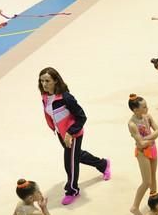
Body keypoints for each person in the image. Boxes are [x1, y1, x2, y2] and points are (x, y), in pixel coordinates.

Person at [38, 67, 110, 205]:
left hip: (73, 134)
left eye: (47, 80)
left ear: (55, 81)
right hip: (61, 134)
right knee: (76, 156)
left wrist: (70, 133)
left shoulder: (66, 98)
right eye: (42, 81)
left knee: (69, 162)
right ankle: (103, 164)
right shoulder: (45, 97)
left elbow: (81, 117)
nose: (44, 84)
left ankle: (72, 190)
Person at [127, 94, 158, 215]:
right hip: (142, 153)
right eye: (144, 107)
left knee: (153, 177)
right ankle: (135, 207)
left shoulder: (148, 116)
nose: (147, 109)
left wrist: (146, 139)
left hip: (152, 149)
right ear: (136, 110)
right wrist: (150, 138)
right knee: (147, 182)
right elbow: (141, 144)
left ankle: (154, 202)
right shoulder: (132, 124)